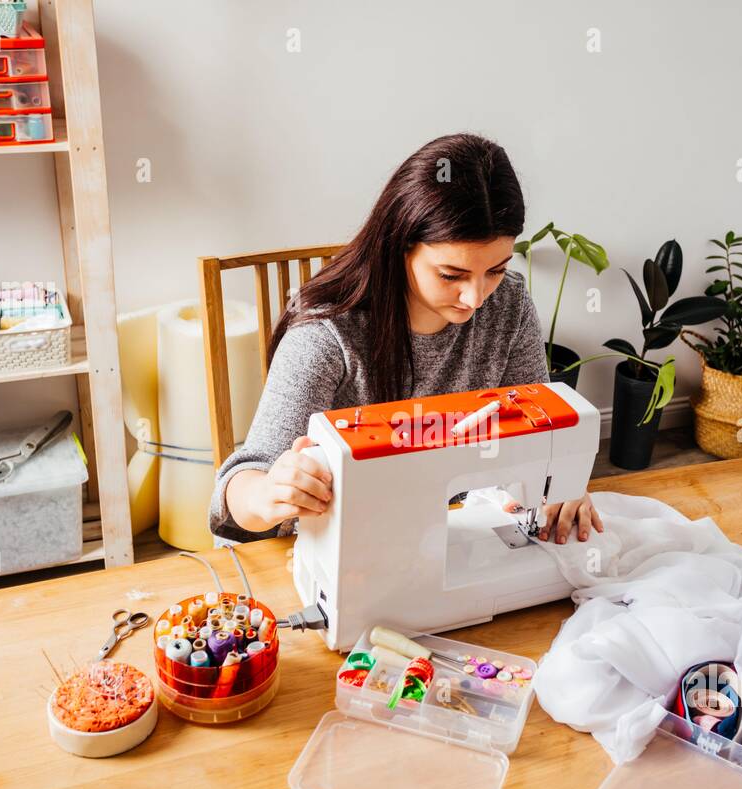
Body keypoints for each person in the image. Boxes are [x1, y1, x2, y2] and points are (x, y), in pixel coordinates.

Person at [208, 131, 602, 546]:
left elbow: (539, 426)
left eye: (496, 270)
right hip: (329, 542)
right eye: (451, 275)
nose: (476, 298)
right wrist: (267, 492)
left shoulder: (508, 303)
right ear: (398, 246)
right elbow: (236, 491)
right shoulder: (326, 335)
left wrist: (562, 488)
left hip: (448, 528)